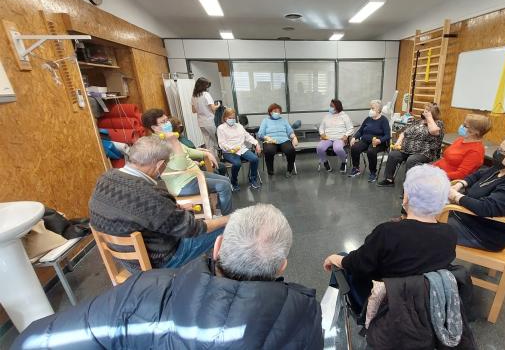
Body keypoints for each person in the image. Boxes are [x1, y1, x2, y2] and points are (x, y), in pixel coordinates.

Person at [14, 204, 323, 350]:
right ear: (281, 266)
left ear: (217, 247)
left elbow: (35, 341)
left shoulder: (143, 291)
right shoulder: (304, 310)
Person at [323, 164, 457, 313]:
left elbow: (358, 264)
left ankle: (330, 311)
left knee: (342, 257)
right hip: (428, 306)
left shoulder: (387, 233)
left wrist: (334, 259)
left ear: (406, 197)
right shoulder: (450, 234)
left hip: (384, 305)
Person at [89, 136, 228, 271]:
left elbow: (137, 213)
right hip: (161, 261)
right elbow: (194, 229)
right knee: (227, 227)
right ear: (160, 165)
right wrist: (229, 218)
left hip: (127, 261)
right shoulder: (150, 196)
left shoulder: (105, 178)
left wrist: (174, 209)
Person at [141, 109, 233, 215]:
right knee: (223, 185)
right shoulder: (159, 144)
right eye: (163, 122)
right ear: (154, 128)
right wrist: (174, 141)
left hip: (193, 175)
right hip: (182, 183)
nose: (168, 123)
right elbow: (181, 166)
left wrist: (206, 154)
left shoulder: (169, 136)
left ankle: (218, 211)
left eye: (167, 120)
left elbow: (187, 150)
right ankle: (226, 219)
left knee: (226, 180)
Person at [377, 102, 444, 187]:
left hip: (424, 152)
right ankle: (389, 179)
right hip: (407, 150)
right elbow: (404, 132)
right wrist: (399, 141)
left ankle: (409, 187)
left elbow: (434, 131)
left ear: (433, 113)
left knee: (412, 160)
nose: (424, 111)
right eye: (425, 109)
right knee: (393, 155)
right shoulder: (417, 122)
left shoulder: (438, 123)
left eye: (427, 110)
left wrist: (429, 118)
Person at [433, 113, 492, 180]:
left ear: (475, 132)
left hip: (447, 180)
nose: (461, 126)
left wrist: (437, 176)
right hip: (439, 172)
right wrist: (430, 168)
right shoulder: (460, 140)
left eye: (465, 125)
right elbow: (445, 160)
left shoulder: (475, 151)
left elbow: (461, 175)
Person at [217, 108, 261, 191]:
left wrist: (256, 143)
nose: (232, 119)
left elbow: (248, 136)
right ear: (225, 118)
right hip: (229, 152)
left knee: (255, 159)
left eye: (234, 117)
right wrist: (231, 148)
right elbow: (221, 143)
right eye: (230, 118)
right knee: (237, 164)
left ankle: (253, 180)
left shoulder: (239, 126)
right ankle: (234, 182)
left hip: (242, 149)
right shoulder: (221, 128)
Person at [349, 100, 391, 182]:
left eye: (372, 108)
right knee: (354, 147)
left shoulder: (384, 120)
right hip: (365, 140)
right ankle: (356, 168)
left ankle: (373, 172)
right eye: (370, 108)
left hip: (378, 142)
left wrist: (380, 140)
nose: (370, 110)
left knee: (371, 151)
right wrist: (354, 138)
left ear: (378, 110)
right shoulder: (368, 119)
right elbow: (360, 131)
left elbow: (387, 135)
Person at [257, 103, 299, 177]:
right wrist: (266, 138)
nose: (277, 113)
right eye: (275, 111)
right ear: (270, 112)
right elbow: (260, 134)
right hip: (270, 140)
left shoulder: (284, 120)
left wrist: (294, 137)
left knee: (291, 150)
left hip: (283, 140)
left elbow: (290, 131)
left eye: (278, 111)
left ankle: (289, 170)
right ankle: (270, 170)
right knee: (269, 151)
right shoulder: (265, 121)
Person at [317, 99, 354, 173]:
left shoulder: (344, 116)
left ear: (337, 107)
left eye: (332, 106)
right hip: (327, 138)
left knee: (338, 149)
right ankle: (325, 162)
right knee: (319, 148)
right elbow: (321, 128)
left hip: (339, 138)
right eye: (330, 106)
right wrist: (322, 134)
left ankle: (344, 162)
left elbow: (351, 129)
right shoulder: (327, 116)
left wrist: (346, 135)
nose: (330, 108)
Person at [192, 77, 220, 150]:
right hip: (209, 121)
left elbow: (194, 110)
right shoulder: (206, 94)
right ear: (203, 86)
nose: (208, 88)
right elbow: (213, 108)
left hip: (201, 122)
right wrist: (218, 105)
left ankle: (212, 159)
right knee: (216, 140)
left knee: (208, 143)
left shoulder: (194, 96)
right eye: (207, 86)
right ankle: (219, 157)